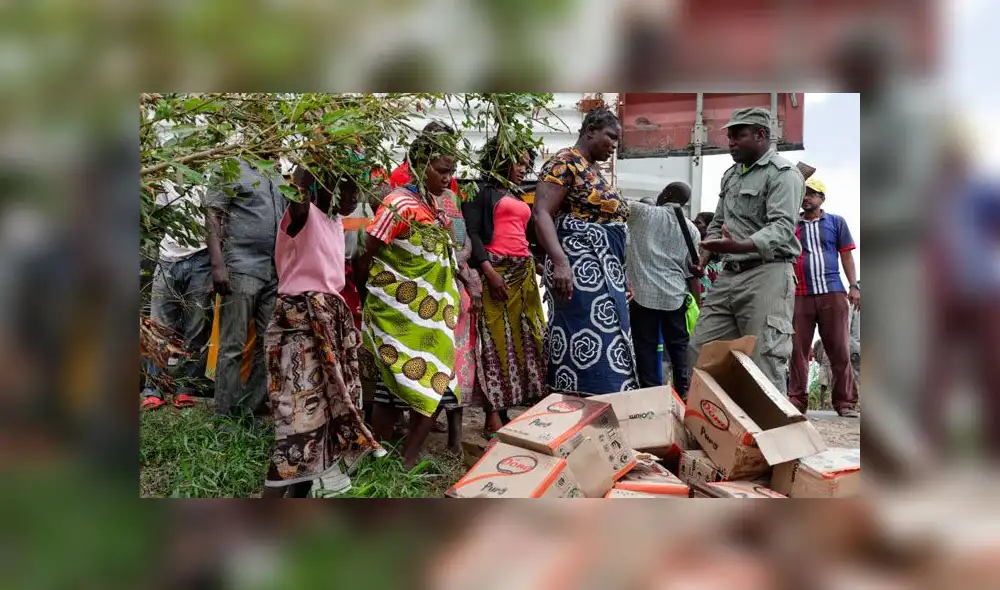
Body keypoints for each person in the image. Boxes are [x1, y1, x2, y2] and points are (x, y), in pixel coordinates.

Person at [261, 163, 384, 498]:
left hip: (329, 322)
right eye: (348, 189)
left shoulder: (337, 222)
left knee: (323, 427)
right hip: (298, 325)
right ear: (327, 186)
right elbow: (302, 184)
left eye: (358, 190)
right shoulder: (302, 214)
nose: (354, 197)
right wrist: (321, 149)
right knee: (298, 427)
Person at [355, 125, 463, 469]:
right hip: (397, 315)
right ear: (419, 165)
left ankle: (407, 460)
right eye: (441, 170)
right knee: (390, 388)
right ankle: (381, 460)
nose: (448, 178)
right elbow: (365, 253)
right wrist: (370, 298)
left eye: (452, 171)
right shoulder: (398, 204)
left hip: (434, 322)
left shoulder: (438, 205)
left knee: (438, 383)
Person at [689, 107, 803, 399]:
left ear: (761, 135)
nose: (731, 143)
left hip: (767, 273)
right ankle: (711, 431)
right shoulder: (731, 175)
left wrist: (741, 246)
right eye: (729, 137)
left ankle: (769, 438)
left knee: (763, 359)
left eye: (738, 136)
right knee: (700, 352)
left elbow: (781, 227)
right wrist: (707, 253)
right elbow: (718, 221)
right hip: (728, 276)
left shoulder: (784, 174)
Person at [533, 108, 639, 395]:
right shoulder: (564, 162)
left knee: (611, 339)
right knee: (590, 338)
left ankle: (605, 408)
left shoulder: (593, 171)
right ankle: (582, 406)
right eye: (611, 137)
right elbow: (541, 213)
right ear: (590, 130)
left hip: (605, 269)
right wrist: (560, 262)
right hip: (581, 268)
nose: (615, 145)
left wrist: (620, 275)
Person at [463, 136, 547, 437]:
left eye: (527, 163)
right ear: (501, 160)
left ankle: (514, 407)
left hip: (522, 272)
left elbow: (522, 233)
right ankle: (493, 414)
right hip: (496, 271)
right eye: (519, 161)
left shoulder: (515, 192)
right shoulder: (480, 191)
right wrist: (488, 271)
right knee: (496, 344)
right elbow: (472, 232)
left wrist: (538, 263)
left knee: (529, 339)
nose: (524, 168)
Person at [204, 157, 288, 417]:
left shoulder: (277, 174)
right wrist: (217, 264)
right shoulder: (230, 166)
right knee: (233, 345)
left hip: (273, 270)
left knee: (270, 344)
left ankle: (246, 410)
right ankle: (225, 415)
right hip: (240, 266)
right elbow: (212, 213)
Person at [788, 177, 860, 417]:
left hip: (832, 291)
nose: (807, 197)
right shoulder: (791, 224)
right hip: (800, 294)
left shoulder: (836, 223)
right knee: (798, 349)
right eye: (804, 193)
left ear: (822, 198)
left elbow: (846, 256)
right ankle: (797, 401)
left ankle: (845, 403)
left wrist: (854, 285)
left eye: (812, 193)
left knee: (839, 349)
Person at [141, 181, 213, 410]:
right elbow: (156, 215)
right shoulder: (168, 178)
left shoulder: (212, 176)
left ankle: (184, 388)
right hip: (166, 258)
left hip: (202, 258)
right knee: (159, 326)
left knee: (196, 325)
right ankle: (154, 388)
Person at [626, 182, 701, 395]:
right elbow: (691, 270)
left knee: (646, 346)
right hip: (674, 296)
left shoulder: (643, 213)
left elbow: (615, 205)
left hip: (643, 294)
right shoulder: (692, 229)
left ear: (666, 194)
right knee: (678, 346)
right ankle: (683, 391)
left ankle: (650, 393)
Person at [692, 211, 724, 300]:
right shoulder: (695, 242)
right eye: (694, 222)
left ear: (709, 226)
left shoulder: (714, 248)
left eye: (698, 223)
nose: (694, 225)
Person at [811, 339, 833, 409]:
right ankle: (822, 405)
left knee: (832, 386)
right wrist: (818, 360)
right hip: (823, 365)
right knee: (823, 386)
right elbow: (814, 352)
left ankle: (832, 404)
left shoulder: (834, 340)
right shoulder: (819, 342)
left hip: (832, 366)